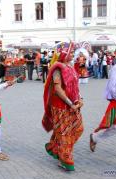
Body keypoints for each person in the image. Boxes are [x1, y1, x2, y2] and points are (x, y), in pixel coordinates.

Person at [42, 42, 84, 171]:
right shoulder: (58, 68)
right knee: (64, 132)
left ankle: (55, 147)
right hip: (60, 105)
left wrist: (79, 99)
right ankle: (64, 158)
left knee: (78, 128)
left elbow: (75, 86)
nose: (73, 54)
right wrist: (70, 104)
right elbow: (57, 88)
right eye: (71, 52)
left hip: (73, 104)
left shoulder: (70, 67)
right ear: (64, 53)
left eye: (72, 52)